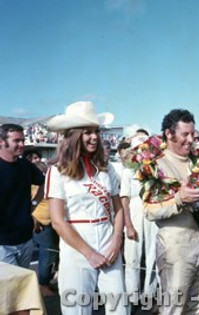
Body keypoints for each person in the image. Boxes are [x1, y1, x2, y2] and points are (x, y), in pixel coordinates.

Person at [45, 101, 127, 315]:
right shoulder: (57, 171)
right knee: (77, 309)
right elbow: (57, 221)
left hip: (109, 242)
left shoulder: (106, 167)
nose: (94, 137)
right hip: (76, 247)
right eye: (87, 132)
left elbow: (118, 209)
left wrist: (117, 239)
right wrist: (89, 253)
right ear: (73, 136)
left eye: (96, 131)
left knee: (120, 308)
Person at [142, 109, 199, 314]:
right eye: (184, 134)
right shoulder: (155, 163)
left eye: (192, 134)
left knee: (197, 307)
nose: (190, 139)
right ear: (169, 134)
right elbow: (149, 211)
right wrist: (179, 200)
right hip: (175, 247)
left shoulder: (198, 160)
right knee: (174, 309)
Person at [0, 123, 45, 268]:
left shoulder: (25, 166)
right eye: (16, 141)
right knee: (9, 287)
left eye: (23, 140)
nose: (21, 144)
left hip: (26, 238)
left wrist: (34, 204)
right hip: (3, 243)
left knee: (22, 285)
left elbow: (44, 183)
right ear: (1, 141)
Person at [122, 135, 159, 303]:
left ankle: (149, 293)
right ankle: (132, 295)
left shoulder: (155, 168)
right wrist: (128, 224)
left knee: (153, 253)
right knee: (132, 255)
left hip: (152, 210)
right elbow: (124, 199)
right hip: (135, 211)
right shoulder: (127, 170)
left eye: (144, 147)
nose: (141, 151)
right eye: (138, 148)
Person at [32, 160, 59, 297]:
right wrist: (33, 218)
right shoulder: (34, 185)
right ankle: (43, 285)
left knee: (52, 253)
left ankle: (46, 282)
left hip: (51, 223)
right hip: (41, 224)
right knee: (47, 254)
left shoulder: (49, 184)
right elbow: (28, 202)